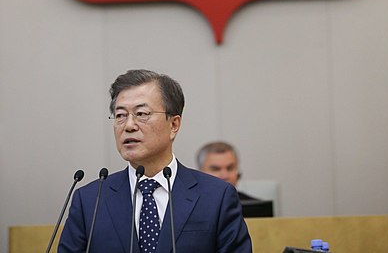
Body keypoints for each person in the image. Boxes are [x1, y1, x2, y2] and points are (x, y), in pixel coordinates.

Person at [58, 69, 252, 252]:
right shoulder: (90, 200)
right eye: (120, 115)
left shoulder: (217, 196)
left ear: (173, 125)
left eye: (141, 114)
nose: (129, 125)